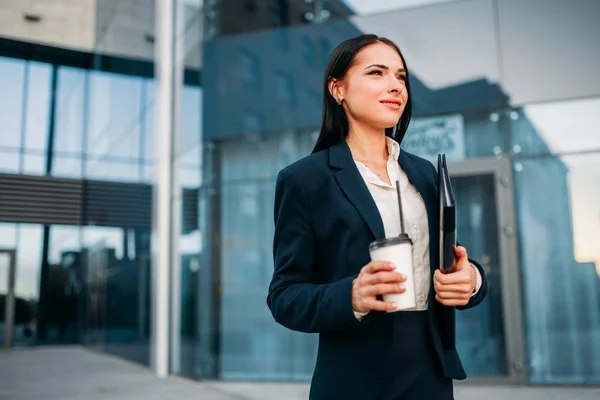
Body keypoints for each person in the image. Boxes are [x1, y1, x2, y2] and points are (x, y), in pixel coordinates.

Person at [267, 34, 488, 400]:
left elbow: (455, 264)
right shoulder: (305, 180)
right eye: (377, 72)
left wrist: (473, 280)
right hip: (353, 382)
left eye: (401, 76)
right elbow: (284, 296)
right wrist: (350, 295)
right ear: (337, 89)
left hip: (430, 377)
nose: (395, 86)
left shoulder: (425, 174)